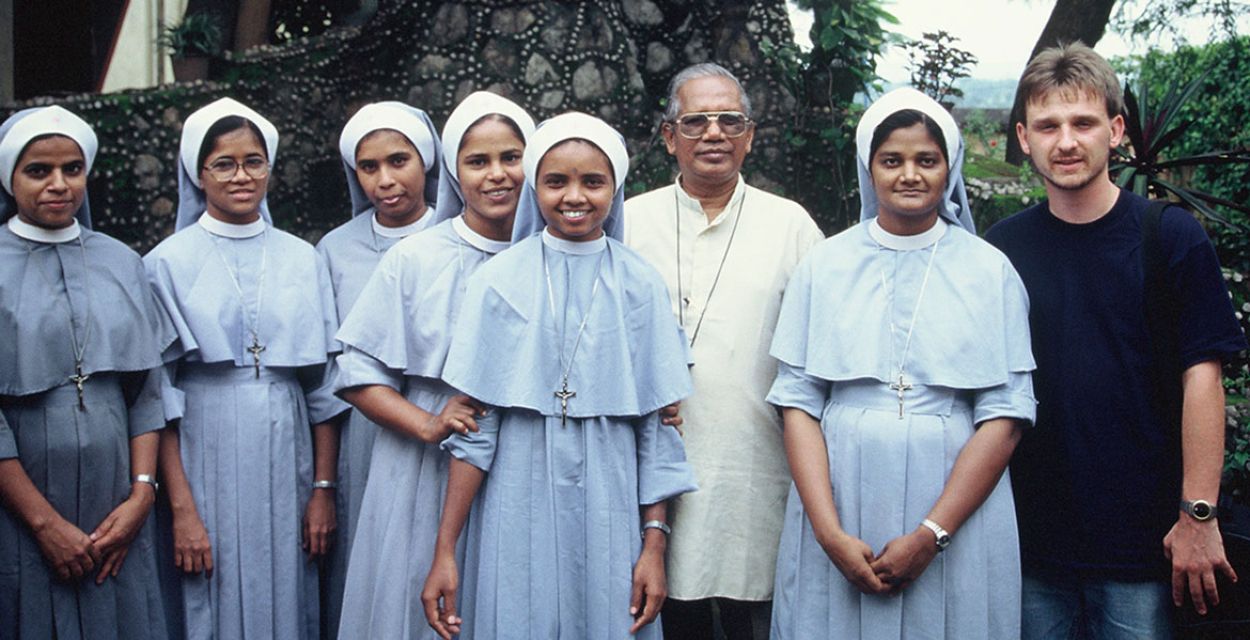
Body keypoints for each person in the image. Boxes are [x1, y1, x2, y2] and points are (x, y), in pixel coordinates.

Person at [985, 43, 1247, 639]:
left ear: (1117, 129)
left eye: (1084, 122)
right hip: (1031, 543)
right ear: (1024, 138)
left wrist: (1198, 516)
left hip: (1146, 545)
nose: (1067, 141)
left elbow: (1202, 378)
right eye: (1048, 126)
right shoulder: (1001, 252)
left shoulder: (1170, 237)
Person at [767, 88, 1036, 639]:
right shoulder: (824, 265)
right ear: (869, 169)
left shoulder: (991, 271)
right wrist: (828, 534)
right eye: (892, 160)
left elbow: (1005, 414)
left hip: (954, 506)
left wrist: (931, 534)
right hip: (838, 498)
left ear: (948, 167)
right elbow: (797, 402)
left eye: (927, 160)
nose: (909, 174)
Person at [421, 112, 698, 640]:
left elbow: (656, 432)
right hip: (514, 495)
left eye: (593, 181)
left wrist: (654, 545)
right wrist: (445, 550)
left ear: (615, 189)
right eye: (556, 181)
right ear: (535, 188)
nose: (575, 196)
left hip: (610, 494)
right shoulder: (499, 279)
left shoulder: (640, 284)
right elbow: (477, 433)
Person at [624, 61, 824, 639]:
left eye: (730, 120)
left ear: (750, 135)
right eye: (696, 122)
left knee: (753, 615)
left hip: (754, 470)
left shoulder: (792, 227)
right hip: (650, 471)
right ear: (668, 136)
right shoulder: (628, 223)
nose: (714, 133)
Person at [144, 97, 347, 640]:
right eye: (224, 164)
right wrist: (181, 509)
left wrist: (323, 488)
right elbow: (155, 396)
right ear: (198, 173)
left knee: (286, 584)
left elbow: (325, 387)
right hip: (202, 443)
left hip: (288, 447)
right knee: (205, 584)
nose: (242, 176)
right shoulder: (165, 261)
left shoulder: (303, 257)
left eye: (254, 161)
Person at [333, 91, 534, 639]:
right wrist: (426, 424)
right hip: (426, 465)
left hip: (530, 459)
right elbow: (356, 373)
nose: (497, 175)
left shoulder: (555, 252)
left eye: (511, 157)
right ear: (452, 170)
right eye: (477, 161)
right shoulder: (416, 258)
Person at [0, 105, 168, 639]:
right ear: (8, 177)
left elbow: (146, 391)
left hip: (116, 497)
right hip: (21, 498)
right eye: (38, 171)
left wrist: (142, 494)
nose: (58, 185)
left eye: (72, 169)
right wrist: (44, 524)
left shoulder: (121, 262)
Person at [315, 100, 442, 637]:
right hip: (365, 432)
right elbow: (328, 376)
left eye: (399, 160)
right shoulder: (333, 250)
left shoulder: (459, 234)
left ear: (428, 163)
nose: (385, 180)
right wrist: (323, 483)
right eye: (369, 167)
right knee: (373, 568)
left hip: (449, 424)